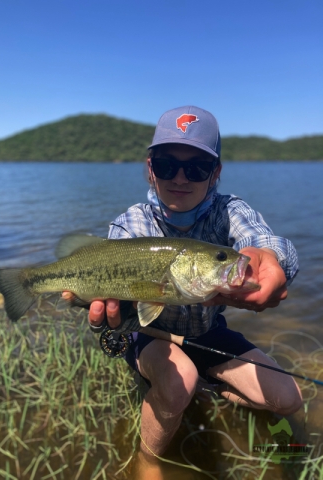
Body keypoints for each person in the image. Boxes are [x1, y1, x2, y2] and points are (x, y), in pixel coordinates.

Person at [86, 106, 302, 465]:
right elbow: (116, 305)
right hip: (149, 333)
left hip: (208, 333)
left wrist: (273, 261)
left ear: (215, 174)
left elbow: (268, 242)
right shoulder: (130, 225)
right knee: (178, 381)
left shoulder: (229, 211)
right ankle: (147, 461)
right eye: (168, 165)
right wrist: (104, 307)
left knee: (288, 398)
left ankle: (216, 391)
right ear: (150, 169)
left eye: (198, 167)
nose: (181, 178)